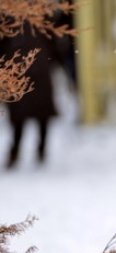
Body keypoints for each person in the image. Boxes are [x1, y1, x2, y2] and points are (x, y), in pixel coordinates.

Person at [2, 23, 64, 170]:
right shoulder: (39, 18)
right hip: (27, 72)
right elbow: (55, 44)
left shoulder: (13, 18)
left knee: (26, 117)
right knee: (28, 117)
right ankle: (29, 151)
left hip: (23, 73)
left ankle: (23, 152)